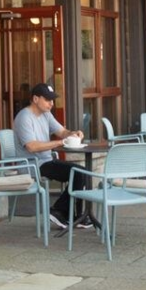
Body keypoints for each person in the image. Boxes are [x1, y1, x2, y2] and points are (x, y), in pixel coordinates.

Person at [12, 83, 91, 230]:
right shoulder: (24, 118)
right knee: (79, 173)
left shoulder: (46, 114)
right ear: (35, 99)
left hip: (46, 161)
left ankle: (74, 216)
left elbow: (62, 132)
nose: (51, 104)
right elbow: (31, 146)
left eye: (52, 100)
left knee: (81, 173)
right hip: (32, 165)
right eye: (48, 100)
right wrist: (60, 142)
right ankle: (59, 211)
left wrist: (73, 133)